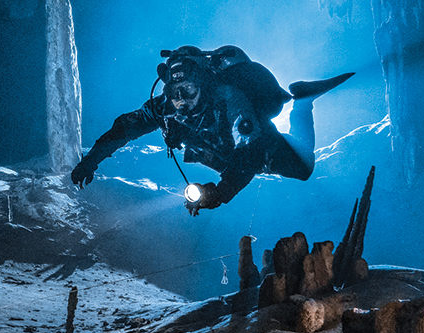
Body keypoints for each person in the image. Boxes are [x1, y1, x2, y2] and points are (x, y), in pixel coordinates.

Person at [68, 44, 352, 213]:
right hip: (222, 153)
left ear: (203, 84)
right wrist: (91, 161)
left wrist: (219, 193)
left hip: (257, 145)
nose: (181, 101)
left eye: (188, 91)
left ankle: (303, 102)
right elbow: (124, 129)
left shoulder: (228, 97)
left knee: (304, 169)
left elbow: (250, 152)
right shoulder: (164, 106)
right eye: (175, 92)